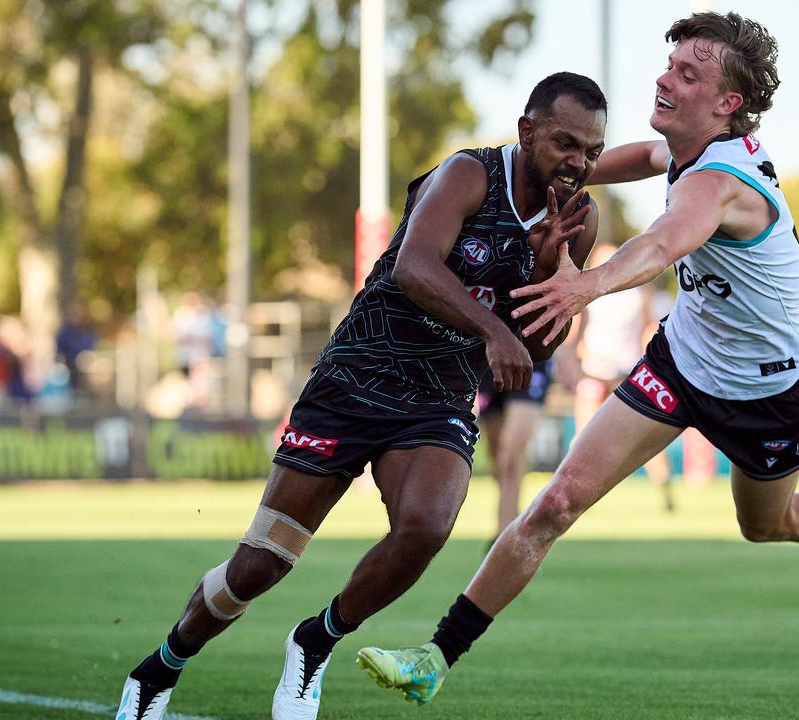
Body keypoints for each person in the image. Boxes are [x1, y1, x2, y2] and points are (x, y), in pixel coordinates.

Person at [356, 12, 799, 707]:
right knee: (556, 502)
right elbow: (616, 164)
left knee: (768, 524)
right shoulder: (682, 153)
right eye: (670, 63)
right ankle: (435, 656)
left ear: (727, 105)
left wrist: (579, 288)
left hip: (764, 391)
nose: (665, 77)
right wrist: (534, 160)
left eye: (689, 73)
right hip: (681, 362)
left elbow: (659, 245)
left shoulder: (718, 183)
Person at [112, 71, 606, 720]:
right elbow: (413, 267)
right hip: (355, 379)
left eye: (592, 152)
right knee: (259, 568)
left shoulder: (578, 220)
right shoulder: (468, 175)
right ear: (526, 131)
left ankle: (315, 641)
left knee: (426, 527)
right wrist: (492, 329)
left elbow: (532, 351)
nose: (578, 163)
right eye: (565, 143)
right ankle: (160, 667)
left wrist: (546, 270)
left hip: (436, 399)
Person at [567, 242, 674, 510]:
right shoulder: (592, 292)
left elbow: (649, 327)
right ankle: (573, 492)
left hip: (627, 368)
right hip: (597, 369)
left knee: (642, 437)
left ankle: (665, 489)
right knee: (585, 435)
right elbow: (576, 336)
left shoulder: (638, 291)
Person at [475, 358, 554, 540]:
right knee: (497, 457)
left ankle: (505, 537)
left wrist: (569, 350)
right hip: (488, 358)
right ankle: (512, 517)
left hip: (533, 357)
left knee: (510, 455)